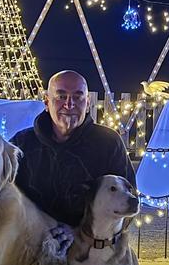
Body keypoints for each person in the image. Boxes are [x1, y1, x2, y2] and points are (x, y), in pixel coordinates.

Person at [10, 70, 136, 253]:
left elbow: (129, 202)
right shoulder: (22, 144)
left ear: (88, 103)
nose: (69, 104)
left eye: (78, 97)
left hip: (90, 251)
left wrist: (79, 232)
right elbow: (3, 196)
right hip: (30, 247)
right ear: (46, 101)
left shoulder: (108, 143)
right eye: (61, 96)